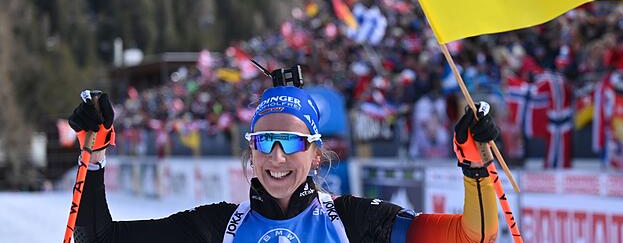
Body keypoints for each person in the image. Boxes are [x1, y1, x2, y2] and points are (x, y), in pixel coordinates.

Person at [69, 70, 500, 243]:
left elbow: (473, 237)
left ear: (315, 154)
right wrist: (95, 154)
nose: (277, 157)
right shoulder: (216, 228)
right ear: (251, 150)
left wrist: (475, 167)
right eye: (265, 141)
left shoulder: (356, 222)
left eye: (292, 142)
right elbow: (98, 239)